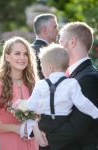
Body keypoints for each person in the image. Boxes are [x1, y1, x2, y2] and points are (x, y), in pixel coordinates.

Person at [17, 44, 98, 150]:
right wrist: (95, 113)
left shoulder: (41, 84)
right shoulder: (72, 83)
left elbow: (32, 105)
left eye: (42, 67)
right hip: (63, 123)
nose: (42, 70)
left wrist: (20, 105)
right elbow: (82, 103)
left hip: (45, 125)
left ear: (50, 67)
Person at [47, 22, 98, 150]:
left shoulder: (88, 78)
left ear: (72, 42)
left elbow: (77, 127)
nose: (58, 47)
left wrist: (44, 138)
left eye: (61, 42)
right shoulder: (73, 74)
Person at [0, 36, 39, 150]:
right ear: (7, 57)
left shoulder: (35, 85)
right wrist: (14, 128)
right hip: (7, 144)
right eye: (17, 53)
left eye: (25, 54)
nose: (22, 57)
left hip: (33, 143)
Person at [31, 13, 59, 79]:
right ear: (44, 30)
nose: (58, 30)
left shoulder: (28, 49)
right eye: (55, 27)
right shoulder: (50, 52)